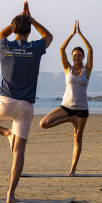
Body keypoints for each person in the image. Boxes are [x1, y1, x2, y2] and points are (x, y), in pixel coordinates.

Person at [0, 1, 52, 203]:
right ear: (30, 31)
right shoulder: (36, 47)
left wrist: (19, 20)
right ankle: (11, 195)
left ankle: (5, 132)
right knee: (19, 152)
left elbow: (1, 33)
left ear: (13, 29)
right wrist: (31, 18)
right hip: (25, 107)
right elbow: (49, 36)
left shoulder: (5, 45)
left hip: (4, 103)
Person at [39, 20, 93, 176]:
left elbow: (90, 49)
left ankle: (73, 170)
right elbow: (62, 49)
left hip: (82, 110)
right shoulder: (67, 68)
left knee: (77, 139)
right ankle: (70, 120)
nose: (77, 57)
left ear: (82, 57)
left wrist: (80, 34)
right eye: (74, 55)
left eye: (79, 55)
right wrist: (72, 34)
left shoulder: (87, 70)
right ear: (72, 57)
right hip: (66, 107)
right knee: (44, 123)